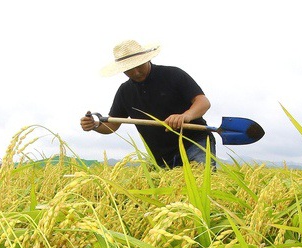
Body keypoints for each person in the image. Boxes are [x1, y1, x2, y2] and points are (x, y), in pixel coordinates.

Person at [80, 39, 216, 168]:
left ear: (147, 59)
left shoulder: (172, 75)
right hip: (162, 157)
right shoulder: (125, 92)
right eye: (129, 69)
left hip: (195, 144)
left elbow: (203, 102)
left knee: (201, 187)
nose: (136, 73)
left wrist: (186, 116)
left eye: (139, 66)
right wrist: (94, 125)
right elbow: (113, 124)